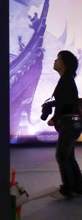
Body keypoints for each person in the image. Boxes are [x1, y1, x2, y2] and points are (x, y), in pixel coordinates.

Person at [47, 50, 82, 199]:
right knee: (68, 156)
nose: (55, 61)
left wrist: (54, 117)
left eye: (58, 59)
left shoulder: (66, 80)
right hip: (72, 125)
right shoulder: (66, 80)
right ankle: (78, 188)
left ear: (65, 64)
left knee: (62, 156)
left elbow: (66, 102)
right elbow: (65, 100)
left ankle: (67, 190)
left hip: (69, 124)